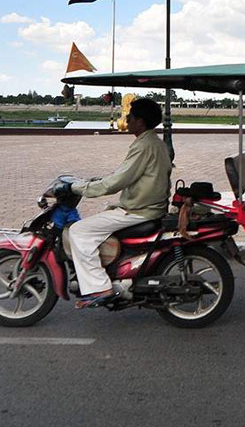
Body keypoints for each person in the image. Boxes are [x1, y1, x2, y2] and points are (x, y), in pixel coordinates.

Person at [60, 97, 171, 308]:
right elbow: (125, 174)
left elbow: (118, 182)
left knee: (79, 231)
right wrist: (93, 182)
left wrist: (78, 188)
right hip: (146, 207)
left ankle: (99, 287)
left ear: (141, 121)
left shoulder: (145, 145)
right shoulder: (153, 142)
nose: (127, 120)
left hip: (139, 210)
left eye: (130, 116)